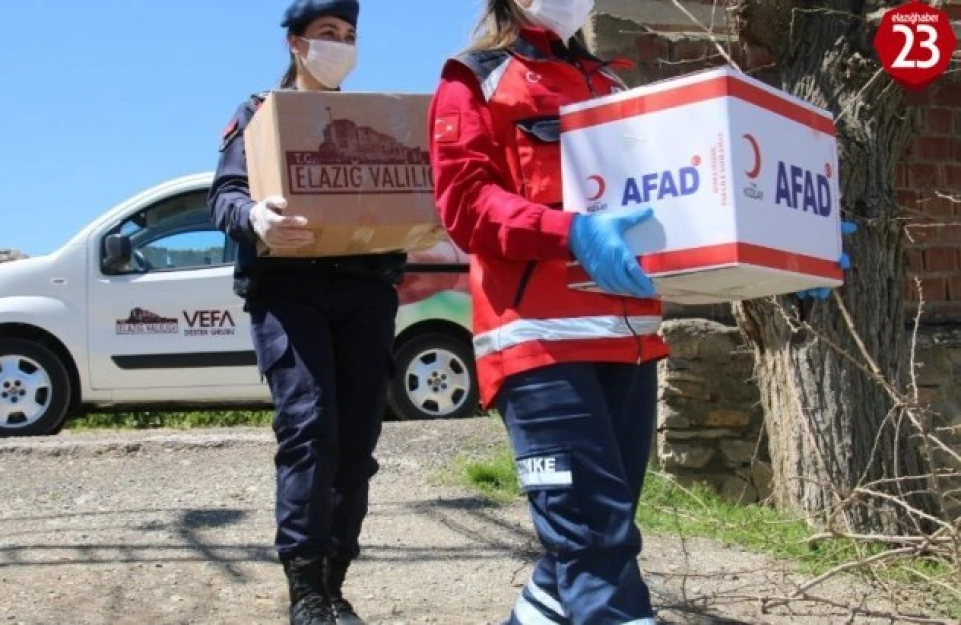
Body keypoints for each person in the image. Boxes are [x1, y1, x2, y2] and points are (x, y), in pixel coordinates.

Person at [427, 1, 853, 624]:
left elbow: (681, 209)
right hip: (539, 344)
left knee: (584, 540)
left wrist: (794, 244)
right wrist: (570, 233)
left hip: (628, 343)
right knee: (596, 543)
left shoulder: (610, 85)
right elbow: (463, 203)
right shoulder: (474, 78)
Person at [207, 2, 406, 624]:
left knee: (356, 441)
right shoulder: (259, 113)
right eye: (328, 35)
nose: (341, 45)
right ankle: (305, 590)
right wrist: (255, 219)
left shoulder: (370, 121)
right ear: (296, 43)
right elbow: (225, 196)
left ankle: (334, 581)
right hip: (289, 289)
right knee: (310, 427)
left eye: (349, 36)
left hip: (366, 287)